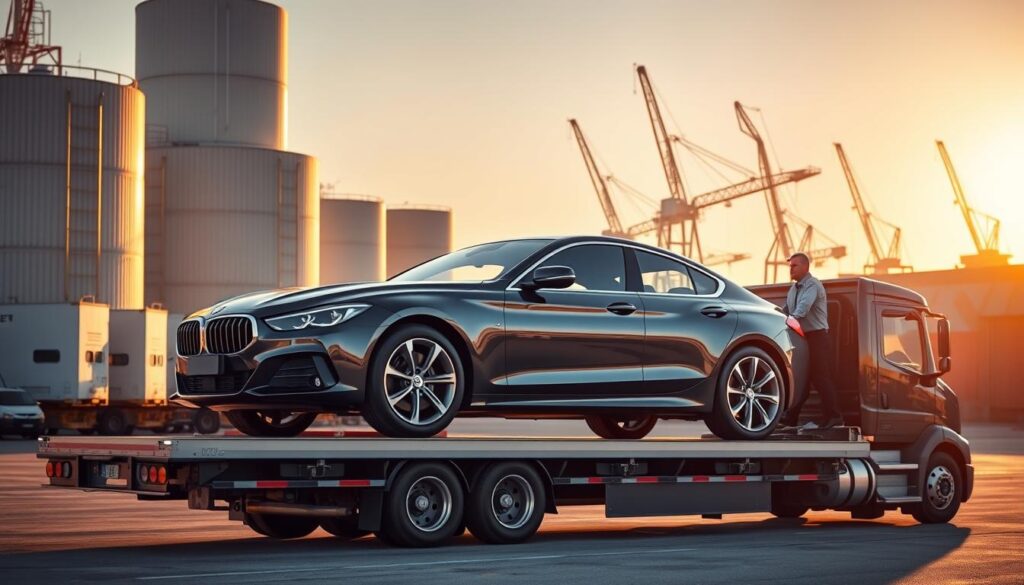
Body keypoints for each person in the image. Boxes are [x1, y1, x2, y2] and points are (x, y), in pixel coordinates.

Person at [779, 252, 844, 430]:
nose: (791, 269)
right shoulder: (793, 289)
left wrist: (789, 321)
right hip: (803, 338)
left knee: (821, 377)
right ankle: (791, 417)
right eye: (790, 266)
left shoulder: (813, 285)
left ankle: (835, 417)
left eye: (794, 266)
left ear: (805, 267)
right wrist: (776, 318)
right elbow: (786, 309)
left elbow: (803, 308)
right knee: (801, 378)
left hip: (818, 338)